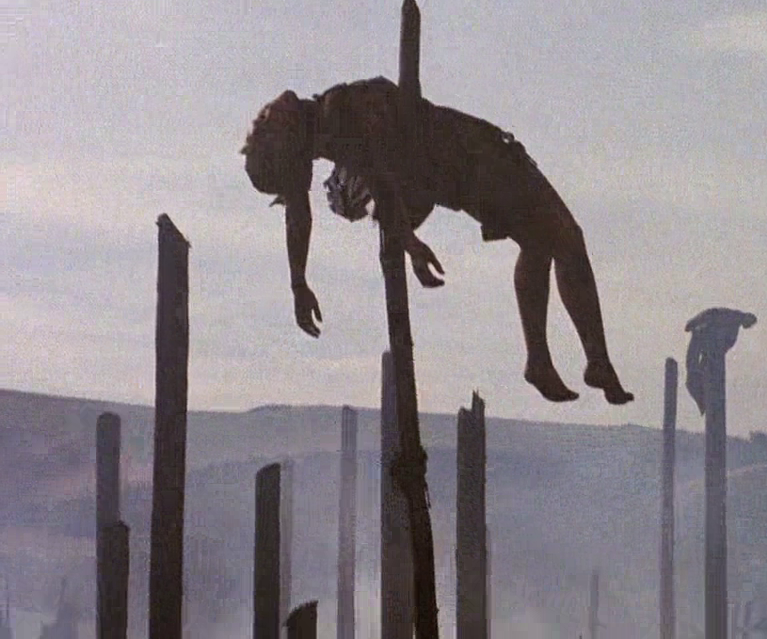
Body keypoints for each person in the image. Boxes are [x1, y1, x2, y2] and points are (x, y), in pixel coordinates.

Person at [240, 77, 633, 405]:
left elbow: (365, 186)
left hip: (469, 162)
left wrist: (301, 282)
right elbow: (368, 187)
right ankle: (585, 360)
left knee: (541, 242)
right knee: (564, 239)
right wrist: (406, 245)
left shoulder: (339, 120)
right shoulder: (337, 125)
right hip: (473, 163)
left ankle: (555, 361)